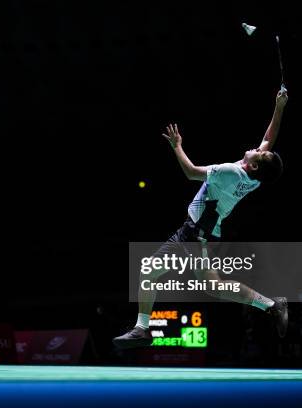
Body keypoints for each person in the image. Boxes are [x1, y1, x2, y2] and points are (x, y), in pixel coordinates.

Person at [114, 88, 289, 349]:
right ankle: (272, 305)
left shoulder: (230, 172)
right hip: (200, 231)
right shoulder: (255, 178)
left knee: (155, 272)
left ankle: (142, 328)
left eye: (259, 153)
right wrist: (280, 107)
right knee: (209, 286)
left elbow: (191, 173)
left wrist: (177, 146)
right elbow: (268, 141)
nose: (258, 147)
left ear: (253, 165)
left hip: (194, 232)